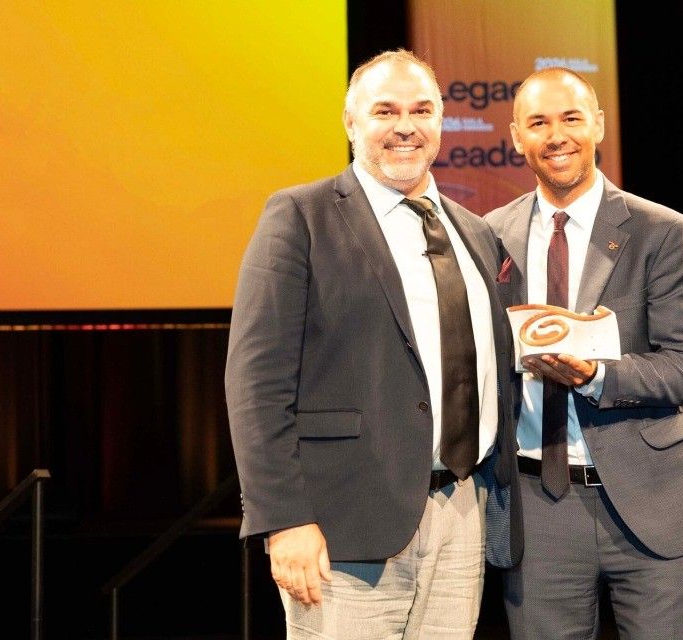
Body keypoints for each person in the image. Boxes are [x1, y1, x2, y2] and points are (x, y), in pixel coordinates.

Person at [224, 49, 513, 639]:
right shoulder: (299, 217)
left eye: (421, 109)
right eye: (385, 110)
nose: (405, 125)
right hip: (339, 528)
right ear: (351, 123)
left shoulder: (474, 232)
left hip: (459, 517)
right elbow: (256, 384)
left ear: (440, 122)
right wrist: (285, 520)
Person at [483, 67, 683, 640]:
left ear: (597, 124)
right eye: (538, 122)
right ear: (516, 137)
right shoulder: (488, 234)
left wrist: (595, 375)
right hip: (538, 506)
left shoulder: (663, 231)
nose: (556, 135)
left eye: (570, 118)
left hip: (654, 500)